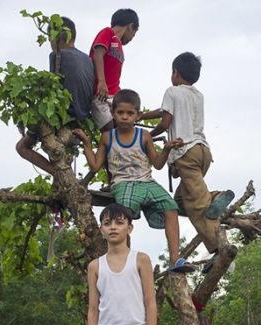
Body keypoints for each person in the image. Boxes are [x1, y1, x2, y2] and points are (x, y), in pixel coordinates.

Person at [73, 89, 195, 273]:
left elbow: (158, 164)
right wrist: (86, 144)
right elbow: (95, 165)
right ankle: (124, 258)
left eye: (130, 113)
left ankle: (174, 259)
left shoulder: (144, 136)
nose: (124, 117)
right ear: (112, 113)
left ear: (138, 115)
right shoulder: (108, 137)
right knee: (123, 215)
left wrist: (167, 149)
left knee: (171, 207)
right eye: (120, 112)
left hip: (147, 182)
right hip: (123, 184)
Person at [143, 52, 235, 274]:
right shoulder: (198, 95)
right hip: (203, 152)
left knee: (199, 207)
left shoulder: (171, 91)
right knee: (181, 203)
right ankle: (214, 197)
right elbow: (164, 111)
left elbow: (165, 121)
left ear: (175, 72)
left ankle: (219, 251)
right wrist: (141, 115)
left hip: (186, 154)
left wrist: (147, 134)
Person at [16, 16, 95, 176]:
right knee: (58, 152)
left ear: (54, 38)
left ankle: (56, 172)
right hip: (83, 114)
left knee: (22, 147)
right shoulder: (87, 59)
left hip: (65, 115)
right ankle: (59, 174)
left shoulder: (57, 56)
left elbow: (54, 89)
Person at [88, 8, 139, 132]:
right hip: (100, 94)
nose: (131, 38)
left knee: (124, 128)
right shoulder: (108, 33)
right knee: (109, 130)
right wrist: (101, 81)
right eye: (133, 34)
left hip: (115, 93)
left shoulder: (120, 47)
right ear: (130, 26)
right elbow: (98, 54)